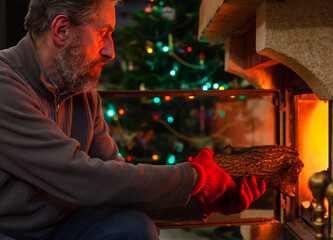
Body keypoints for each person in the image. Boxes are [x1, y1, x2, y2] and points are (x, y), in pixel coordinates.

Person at [0, 0, 266, 239]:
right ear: (61, 30)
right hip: (9, 232)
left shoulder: (84, 96)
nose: (110, 51)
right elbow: (78, 176)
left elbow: (117, 190)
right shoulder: (5, 85)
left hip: (62, 229)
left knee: (133, 227)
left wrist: (201, 202)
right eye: (103, 33)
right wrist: (192, 177)